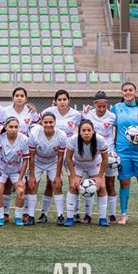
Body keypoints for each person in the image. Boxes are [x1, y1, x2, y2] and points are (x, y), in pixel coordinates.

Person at [111, 82, 138, 224]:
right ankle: (124, 214)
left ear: (135, 92)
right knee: (124, 182)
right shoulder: (116, 108)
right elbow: (109, 126)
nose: (128, 92)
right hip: (122, 152)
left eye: (130, 90)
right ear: (121, 93)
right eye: (125, 90)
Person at [0, 87, 39, 222]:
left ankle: (24, 213)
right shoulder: (5, 112)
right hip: (7, 150)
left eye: (22, 96)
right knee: (7, 184)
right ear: (13, 97)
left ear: (26, 98)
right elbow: (1, 129)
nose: (19, 98)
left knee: (23, 184)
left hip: (23, 149)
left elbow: (37, 127)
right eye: (17, 95)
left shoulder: (31, 112)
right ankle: (5, 213)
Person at [39, 89, 82, 224]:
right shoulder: (49, 111)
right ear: (55, 101)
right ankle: (43, 213)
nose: (62, 102)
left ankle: (74, 213)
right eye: (59, 100)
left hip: (70, 152)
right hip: (53, 152)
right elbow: (35, 119)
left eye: (64, 99)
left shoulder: (76, 114)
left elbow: (82, 129)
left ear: (69, 100)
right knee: (51, 183)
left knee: (73, 182)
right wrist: (31, 108)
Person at [64, 119, 109, 227]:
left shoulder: (100, 140)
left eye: (89, 130)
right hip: (78, 164)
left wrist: (99, 176)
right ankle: (70, 217)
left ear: (93, 131)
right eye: (83, 130)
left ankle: (102, 218)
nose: (86, 132)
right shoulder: (73, 139)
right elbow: (69, 158)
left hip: (94, 165)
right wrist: (74, 176)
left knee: (102, 187)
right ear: (79, 132)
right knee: (73, 186)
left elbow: (105, 159)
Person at [82, 91, 118, 224]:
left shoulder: (113, 116)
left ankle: (112, 215)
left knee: (109, 184)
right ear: (94, 104)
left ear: (107, 105)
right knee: (90, 185)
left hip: (109, 155)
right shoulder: (87, 114)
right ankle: (88, 215)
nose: (102, 109)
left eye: (104, 106)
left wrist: (115, 151)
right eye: (99, 106)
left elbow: (117, 131)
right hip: (92, 156)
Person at [26, 112, 66, 226]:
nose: (48, 125)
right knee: (32, 186)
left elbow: (60, 157)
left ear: (55, 123)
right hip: (37, 161)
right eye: (46, 122)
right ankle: (31, 216)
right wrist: (32, 176)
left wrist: (58, 176)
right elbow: (31, 157)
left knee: (57, 185)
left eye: (51, 122)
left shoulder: (61, 135)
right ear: (41, 123)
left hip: (53, 162)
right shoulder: (34, 134)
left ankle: (60, 216)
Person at [0, 117, 29, 226]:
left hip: (16, 170)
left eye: (16, 127)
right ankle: (0, 217)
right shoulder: (1, 138)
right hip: (1, 169)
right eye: (10, 127)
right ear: (6, 127)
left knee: (21, 191)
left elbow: (26, 160)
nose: (13, 129)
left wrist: (21, 179)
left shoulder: (24, 139)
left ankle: (18, 217)